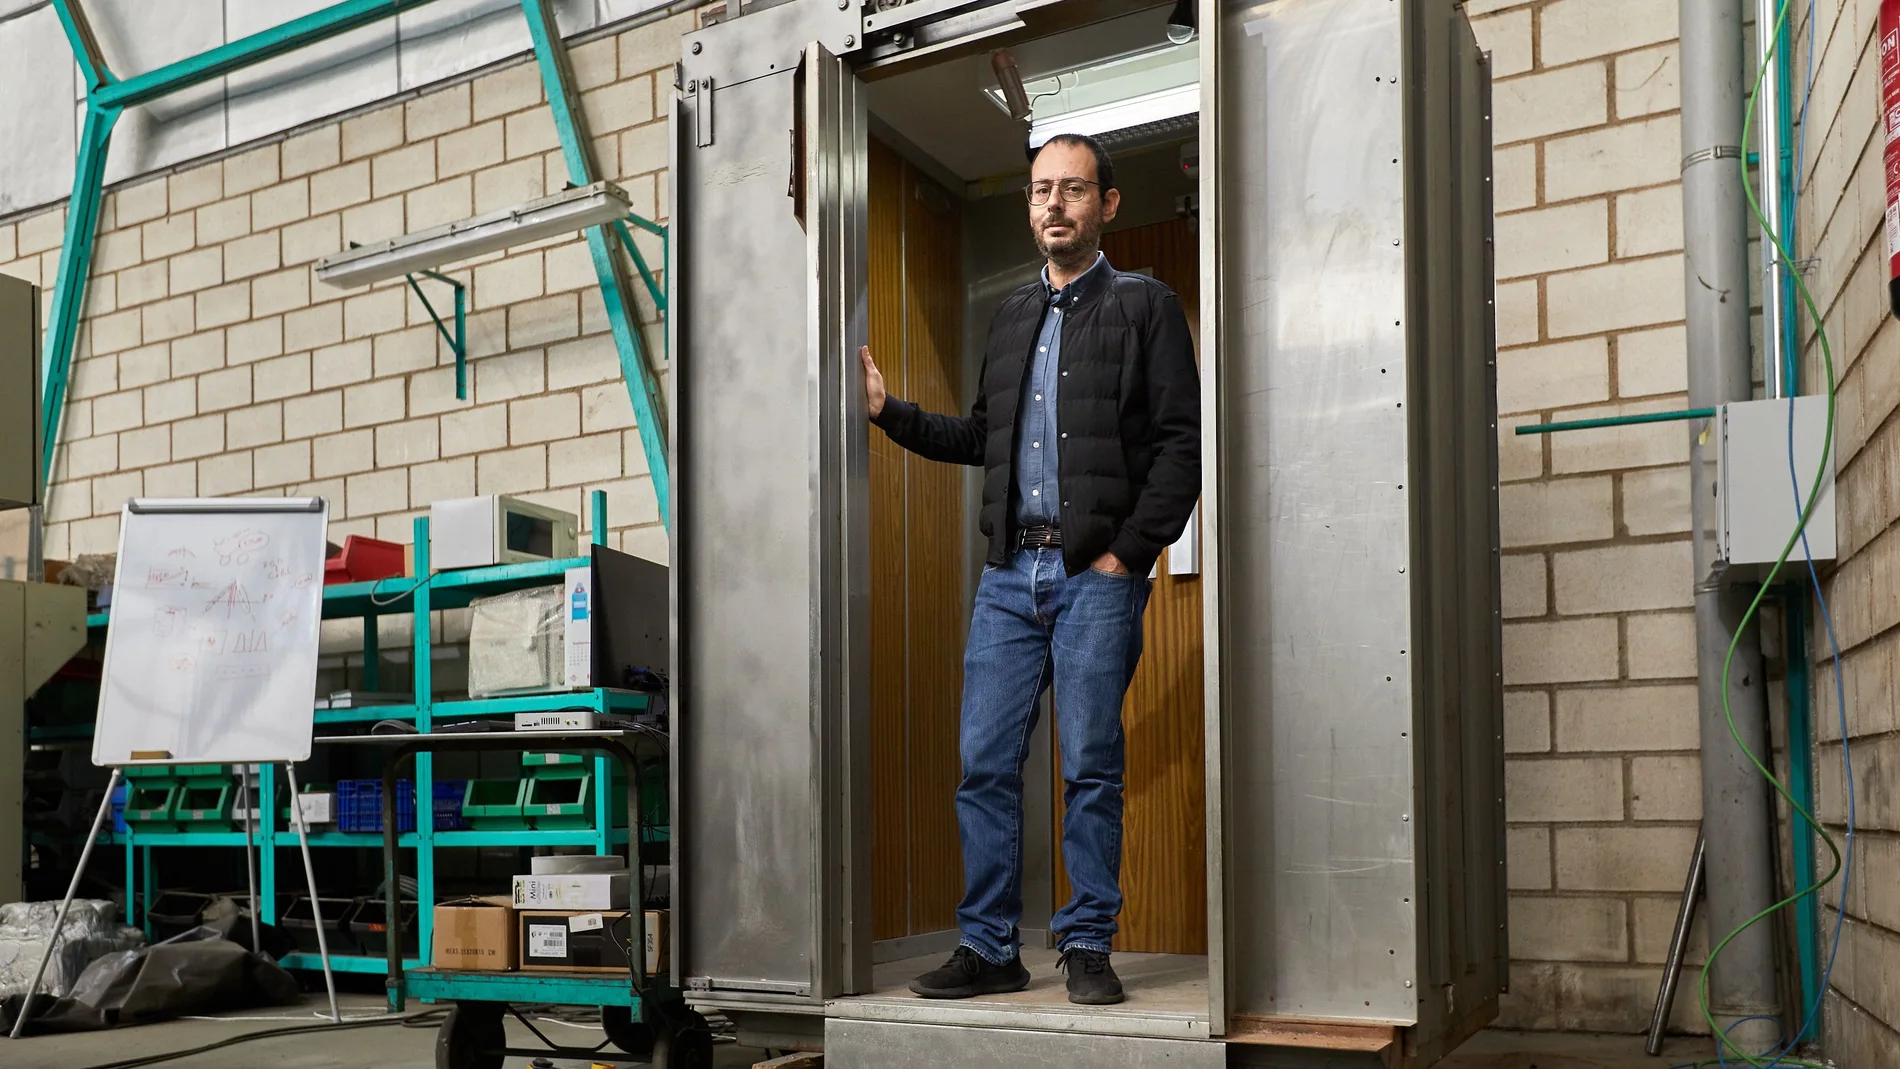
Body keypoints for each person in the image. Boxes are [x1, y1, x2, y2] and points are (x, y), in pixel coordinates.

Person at [860, 132, 1201, 1006]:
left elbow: (1180, 447)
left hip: (1096, 574)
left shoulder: (1145, 305)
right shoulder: (1011, 317)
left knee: (1089, 761)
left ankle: (1087, 942)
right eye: (1042, 190)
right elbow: (985, 437)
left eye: (1074, 190)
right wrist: (889, 412)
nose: (1055, 204)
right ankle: (990, 945)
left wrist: (1130, 554)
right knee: (984, 763)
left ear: (1107, 205)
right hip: (1009, 577)